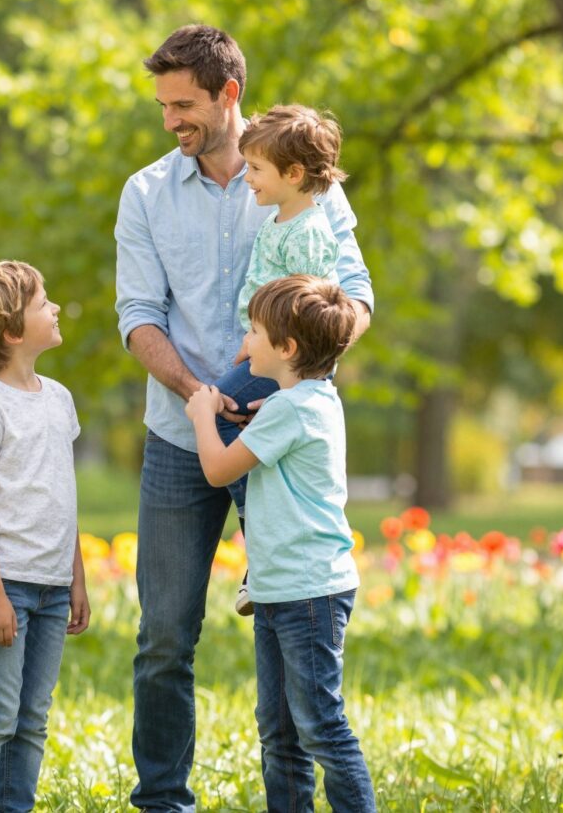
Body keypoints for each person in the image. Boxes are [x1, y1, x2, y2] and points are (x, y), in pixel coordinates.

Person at [114, 24, 374, 811]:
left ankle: (289, 794)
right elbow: (137, 317)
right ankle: (163, 799)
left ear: (230, 92)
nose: (171, 122)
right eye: (163, 106)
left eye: (184, 104)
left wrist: (304, 372)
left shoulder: (306, 181)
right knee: (164, 637)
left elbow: (355, 298)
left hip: (281, 436)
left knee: (290, 625)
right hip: (181, 434)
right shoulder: (147, 192)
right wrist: (203, 392)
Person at [185, 275, 375, 812]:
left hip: (307, 593)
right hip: (282, 589)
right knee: (279, 726)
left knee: (319, 726)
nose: (246, 342)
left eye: (255, 331)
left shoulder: (291, 410)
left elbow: (220, 469)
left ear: (287, 349)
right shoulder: (309, 400)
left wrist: (203, 414)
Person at [0, 260, 91, 812]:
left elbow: (63, 495)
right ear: (10, 332)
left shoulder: (58, 397)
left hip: (52, 588)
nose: (54, 309)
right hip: (3, 587)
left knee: (31, 719)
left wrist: (76, 578)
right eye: (42, 303)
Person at [213, 104, 348, 615]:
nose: (248, 179)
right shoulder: (280, 220)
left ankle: (262, 551)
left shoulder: (309, 230)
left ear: (293, 174)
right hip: (266, 352)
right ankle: (263, 550)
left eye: (257, 170)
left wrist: (259, 341)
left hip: (285, 365)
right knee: (235, 420)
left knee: (223, 414)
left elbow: (309, 308)